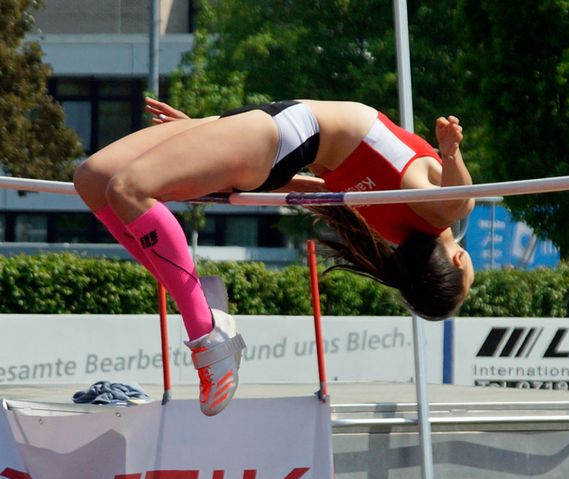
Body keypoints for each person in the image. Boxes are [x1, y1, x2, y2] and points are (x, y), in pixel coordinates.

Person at [73, 97, 474, 415]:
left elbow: (463, 198)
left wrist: (451, 152)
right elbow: (319, 187)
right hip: (271, 129)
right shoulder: (390, 225)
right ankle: (203, 302)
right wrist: (202, 154)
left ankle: (208, 334)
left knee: (127, 189)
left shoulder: (442, 210)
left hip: (283, 132)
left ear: (457, 262)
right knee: (93, 178)